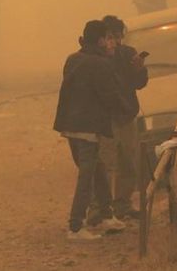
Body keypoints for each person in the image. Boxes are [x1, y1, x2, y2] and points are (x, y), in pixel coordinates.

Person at [53, 20, 130, 241]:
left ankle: (106, 215)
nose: (112, 43)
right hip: (88, 129)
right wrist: (128, 111)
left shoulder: (73, 60)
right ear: (99, 41)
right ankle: (76, 226)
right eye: (108, 38)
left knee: (97, 169)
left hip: (71, 126)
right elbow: (110, 96)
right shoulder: (100, 65)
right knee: (86, 177)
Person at [99, 15, 148, 220]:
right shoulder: (96, 58)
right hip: (105, 119)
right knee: (105, 165)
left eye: (119, 36)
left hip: (127, 116)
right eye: (111, 37)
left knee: (128, 162)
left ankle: (122, 204)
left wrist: (139, 68)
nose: (115, 41)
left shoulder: (128, 54)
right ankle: (102, 208)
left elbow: (139, 83)